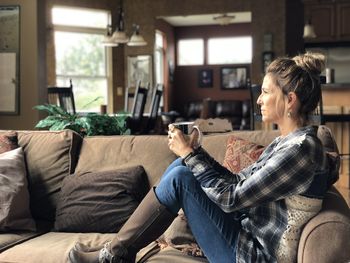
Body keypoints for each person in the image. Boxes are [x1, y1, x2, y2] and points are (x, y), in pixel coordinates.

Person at [68, 52, 335, 263]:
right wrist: (194, 153)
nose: (259, 100)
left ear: (290, 100)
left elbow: (233, 199)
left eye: (266, 92)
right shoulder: (286, 143)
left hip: (251, 256)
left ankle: (114, 254)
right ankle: (116, 253)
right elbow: (237, 180)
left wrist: (190, 155)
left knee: (183, 175)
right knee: (181, 165)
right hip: (244, 237)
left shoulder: (300, 150)